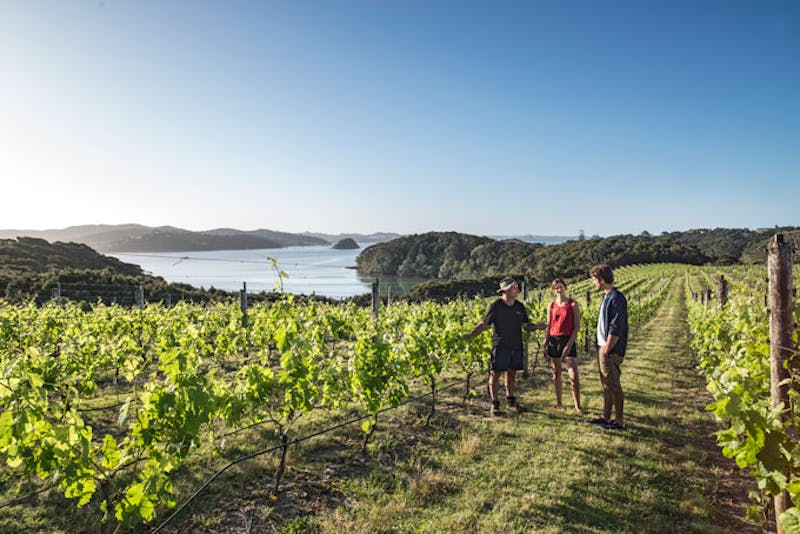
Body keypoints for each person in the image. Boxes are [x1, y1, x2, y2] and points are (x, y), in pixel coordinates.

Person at [464, 276, 547, 415]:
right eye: (514, 288)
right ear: (506, 290)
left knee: (512, 372)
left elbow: (526, 326)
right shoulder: (496, 305)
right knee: (495, 373)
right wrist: (472, 334)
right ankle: (495, 403)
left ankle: (510, 400)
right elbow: (485, 324)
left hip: (516, 344)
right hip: (500, 344)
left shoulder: (519, 306)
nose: (517, 290)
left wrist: (538, 326)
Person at [588, 264, 628, 430]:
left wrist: (607, 348)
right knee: (606, 384)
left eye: (594, 280)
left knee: (614, 385)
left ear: (602, 280)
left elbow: (616, 325)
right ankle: (605, 416)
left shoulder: (616, 298)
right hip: (603, 346)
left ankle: (618, 421)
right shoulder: (608, 296)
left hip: (609, 349)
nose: (593, 283)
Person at [545, 278, 586, 414]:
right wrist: (546, 342)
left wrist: (569, 345)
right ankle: (559, 403)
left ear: (565, 287)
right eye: (556, 287)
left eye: (561, 286)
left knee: (573, 375)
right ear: (553, 290)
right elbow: (549, 325)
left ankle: (578, 406)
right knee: (556, 373)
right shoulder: (551, 305)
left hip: (567, 339)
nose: (559, 289)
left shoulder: (573, 304)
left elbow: (577, 326)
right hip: (554, 339)